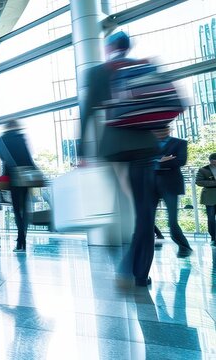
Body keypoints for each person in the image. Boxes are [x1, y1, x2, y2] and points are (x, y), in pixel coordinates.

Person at [81, 31, 160, 286]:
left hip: (114, 148)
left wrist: (82, 152)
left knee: (120, 204)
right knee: (144, 211)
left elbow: (87, 114)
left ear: (109, 48)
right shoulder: (144, 67)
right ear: (127, 47)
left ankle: (126, 263)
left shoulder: (96, 73)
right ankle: (137, 272)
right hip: (144, 145)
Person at [150, 127, 193, 257]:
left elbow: (181, 161)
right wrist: (164, 160)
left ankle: (184, 247)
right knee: (147, 217)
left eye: (163, 130)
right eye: (157, 130)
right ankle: (158, 238)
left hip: (171, 186)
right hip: (151, 185)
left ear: (169, 130)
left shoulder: (179, 143)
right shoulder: (148, 145)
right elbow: (144, 162)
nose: (160, 133)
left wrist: (156, 162)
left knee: (172, 220)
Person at [0, 120, 37, 252]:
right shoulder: (21, 137)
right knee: (25, 210)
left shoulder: (2, 139)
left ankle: (20, 242)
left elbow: (3, 158)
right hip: (26, 177)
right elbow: (28, 157)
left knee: (16, 210)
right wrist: (36, 171)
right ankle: (22, 239)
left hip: (13, 177)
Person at [196, 153, 216, 247]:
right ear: (210, 161)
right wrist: (213, 183)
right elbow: (198, 182)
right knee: (211, 218)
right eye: (213, 161)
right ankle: (213, 237)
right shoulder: (203, 169)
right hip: (209, 197)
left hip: (210, 196)